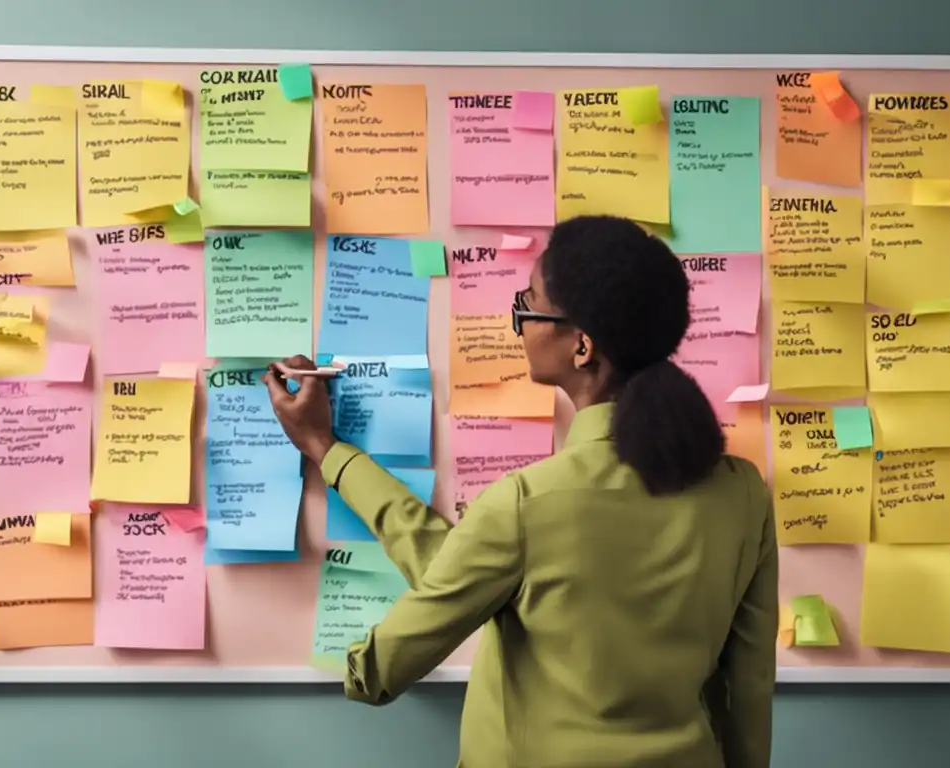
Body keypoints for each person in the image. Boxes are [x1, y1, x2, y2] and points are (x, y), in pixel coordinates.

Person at [262, 215, 776, 768]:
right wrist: (331, 453)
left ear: (582, 346)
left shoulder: (527, 505)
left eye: (528, 305)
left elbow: (378, 671)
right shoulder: (743, 494)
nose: (521, 322)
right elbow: (747, 694)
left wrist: (321, 449)